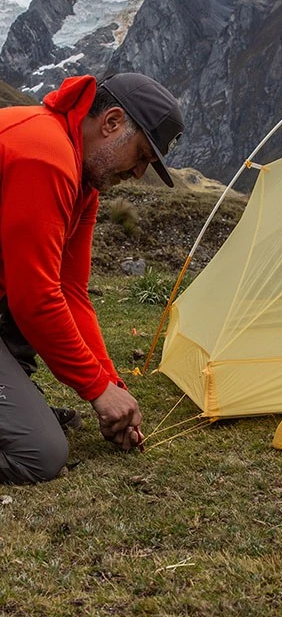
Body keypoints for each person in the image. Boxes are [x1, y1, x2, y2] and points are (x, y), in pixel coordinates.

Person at [0, 72, 184, 484]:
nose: (139, 173)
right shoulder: (44, 156)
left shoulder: (84, 180)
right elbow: (36, 299)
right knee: (39, 455)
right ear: (112, 122)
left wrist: (112, 383)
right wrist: (98, 391)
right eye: (140, 155)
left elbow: (70, 291)